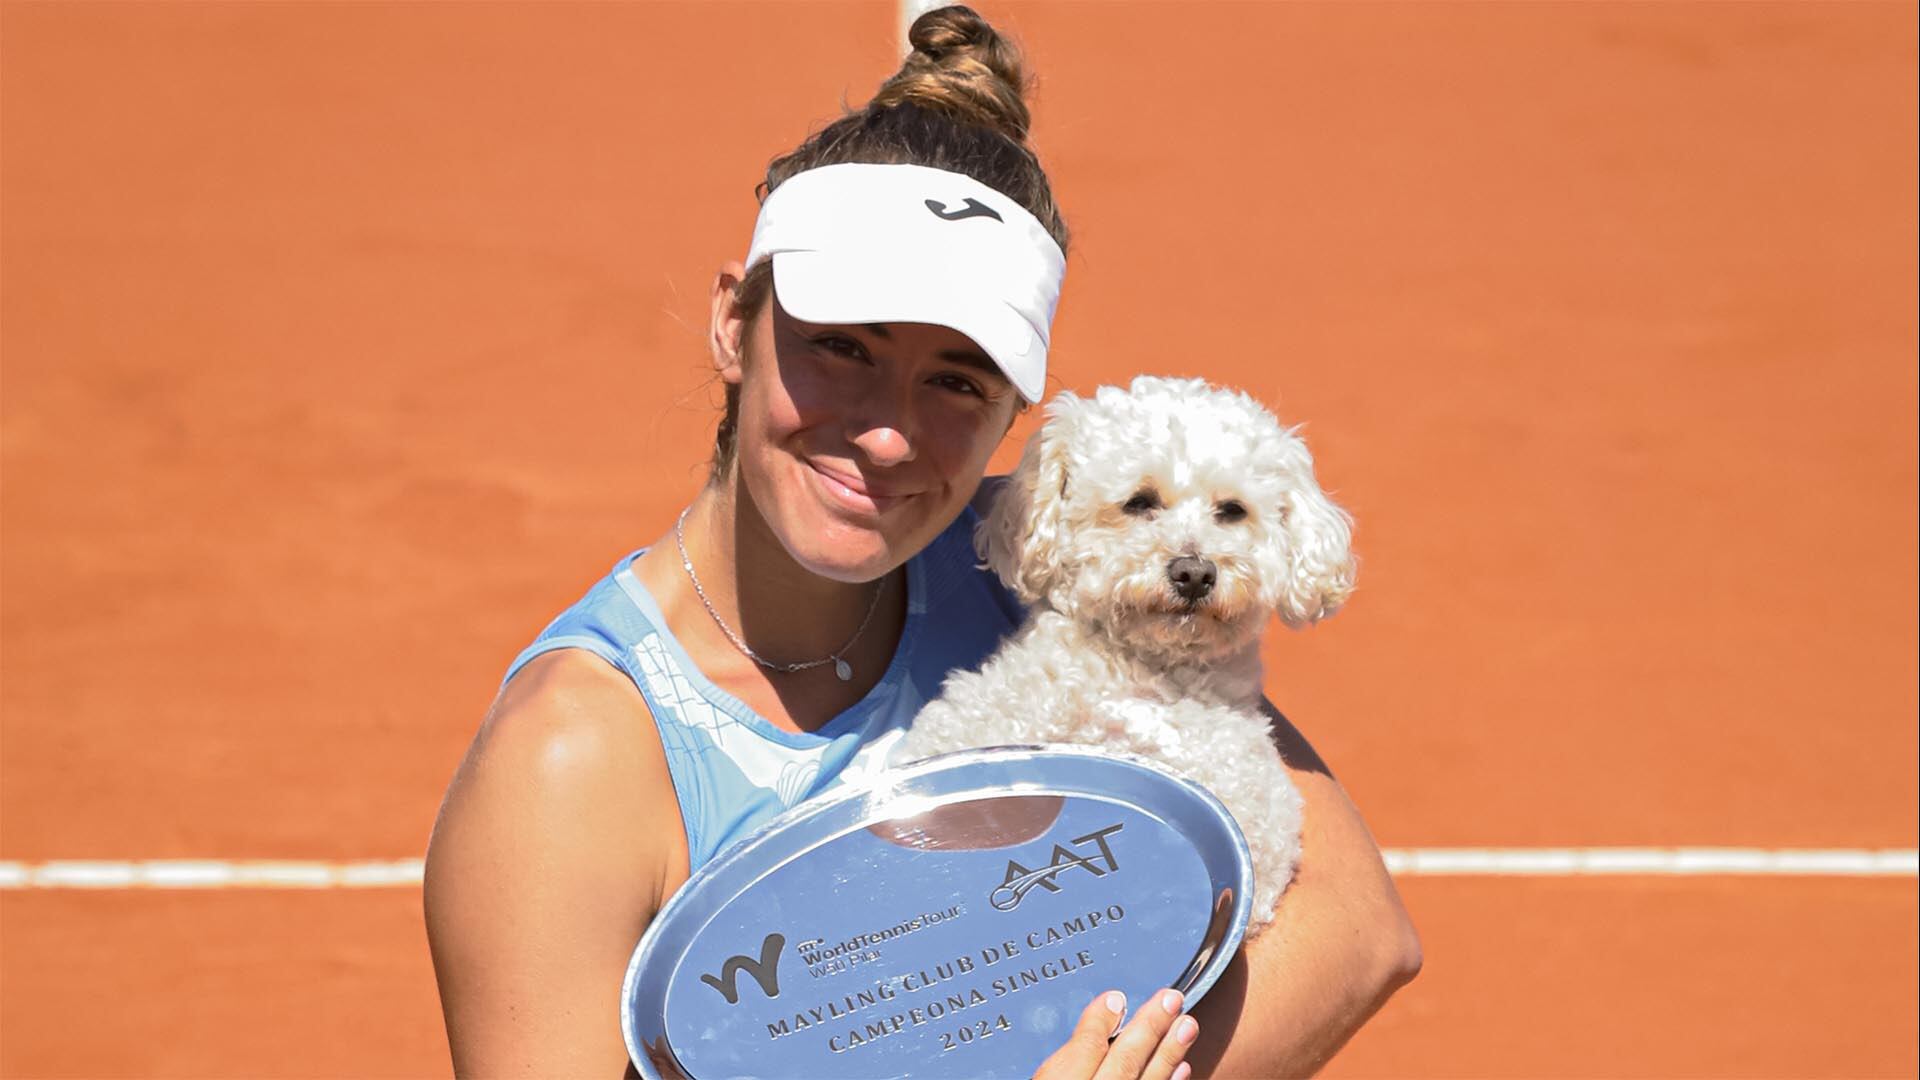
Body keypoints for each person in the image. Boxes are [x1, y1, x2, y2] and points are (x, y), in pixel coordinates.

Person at [423, 7, 1421, 1077]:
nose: (891, 432)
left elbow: (1359, 934)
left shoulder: (1053, 574)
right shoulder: (573, 760)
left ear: (1016, 417)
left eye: (956, 380)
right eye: (842, 347)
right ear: (730, 321)